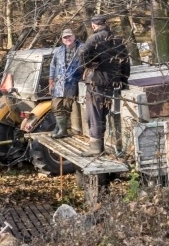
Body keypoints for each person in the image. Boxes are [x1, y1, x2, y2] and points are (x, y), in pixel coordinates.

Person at [77, 15, 131, 156]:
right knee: (103, 113)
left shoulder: (94, 38)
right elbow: (125, 61)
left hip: (96, 81)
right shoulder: (117, 39)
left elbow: (82, 52)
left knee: (94, 114)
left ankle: (95, 148)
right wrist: (124, 80)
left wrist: (88, 64)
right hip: (112, 82)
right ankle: (99, 147)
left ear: (94, 25)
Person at [48, 28, 83, 139]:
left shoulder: (82, 49)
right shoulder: (58, 51)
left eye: (69, 36)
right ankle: (60, 128)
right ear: (62, 39)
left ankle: (62, 130)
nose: (67, 39)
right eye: (65, 37)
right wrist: (51, 80)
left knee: (67, 107)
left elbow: (87, 65)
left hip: (73, 83)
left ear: (74, 36)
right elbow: (52, 66)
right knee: (56, 106)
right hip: (58, 82)